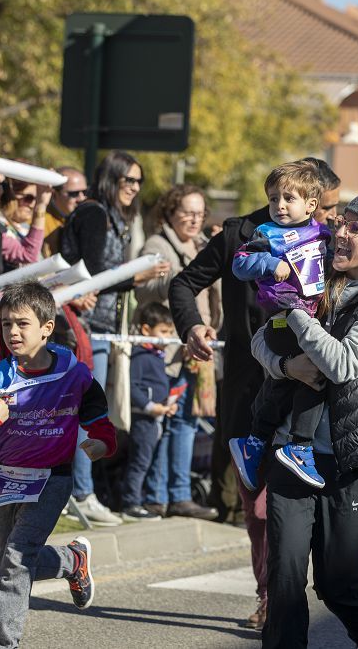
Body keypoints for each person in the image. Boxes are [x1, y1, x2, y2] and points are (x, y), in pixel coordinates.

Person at [168, 158, 340, 630]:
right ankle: (272, 597)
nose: (323, 214)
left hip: (316, 386)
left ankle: (316, 587)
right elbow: (183, 283)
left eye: (323, 207)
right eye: (322, 205)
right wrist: (194, 326)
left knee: (310, 498)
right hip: (250, 384)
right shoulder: (241, 236)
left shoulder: (331, 240)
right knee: (259, 502)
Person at [251, 188, 358, 648]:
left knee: (336, 581)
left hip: (355, 458)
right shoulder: (313, 283)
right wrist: (286, 366)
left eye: (356, 228)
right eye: (341, 222)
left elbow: (342, 363)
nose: (340, 233)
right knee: (284, 577)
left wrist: (295, 313)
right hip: (295, 451)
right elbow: (261, 341)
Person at [0, 281, 115, 649]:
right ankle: (71, 560)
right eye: (6, 323)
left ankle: (4, 642)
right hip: (6, 478)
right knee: (13, 561)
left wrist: (104, 441)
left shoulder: (74, 374)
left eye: (22, 324)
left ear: (47, 326)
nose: (12, 331)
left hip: (52, 479)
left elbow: (99, 416)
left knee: (15, 560)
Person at [60, 150, 165, 525]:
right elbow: (91, 272)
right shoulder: (94, 213)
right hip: (83, 326)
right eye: (128, 181)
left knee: (90, 411)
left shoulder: (114, 217)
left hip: (100, 325)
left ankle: (82, 489)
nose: (135, 189)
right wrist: (136, 277)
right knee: (87, 412)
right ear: (111, 180)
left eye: (139, 182)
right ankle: (81, 492)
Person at [230, 161, 333, 490]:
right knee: (309, 377)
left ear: (311, 205)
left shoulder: (323, 234)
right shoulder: (267, 234)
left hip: (314, 320)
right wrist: (269, 262)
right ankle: (292, 445)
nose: (280, 205)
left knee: (292, 384)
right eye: (274, 198)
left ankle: (261, 444)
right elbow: (239, 263)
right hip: (283, 319)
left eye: (289, 198)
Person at [135, 183, 219, 521]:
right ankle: (157, 497)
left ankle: (181, 495)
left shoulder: (201, 245)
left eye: (200, 213)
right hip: (166, 353)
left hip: (198, 350)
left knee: (186, 422)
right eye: (188, 212)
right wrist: (172, 277)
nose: (194, 219)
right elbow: (143, 290)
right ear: (170, 211)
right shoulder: (156, 246)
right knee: (163, 421)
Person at [120, 302, 179, 520]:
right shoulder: (140, 356)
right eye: (163, 332)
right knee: (139, 462)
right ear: (146, 331)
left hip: (155, 418)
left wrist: (167, 404)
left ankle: (138, 499)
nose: (168, 337)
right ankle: (130, 504)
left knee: (146, 462)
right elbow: (133, 386)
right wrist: (150, 406)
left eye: (170, 332)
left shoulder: (156, 356)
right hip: (144, 418)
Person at [43, 166, 87, 257]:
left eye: (85, 192)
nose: (81, 198)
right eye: (74, 194)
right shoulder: (41, 222)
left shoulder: (88, 217)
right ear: (54, 194)